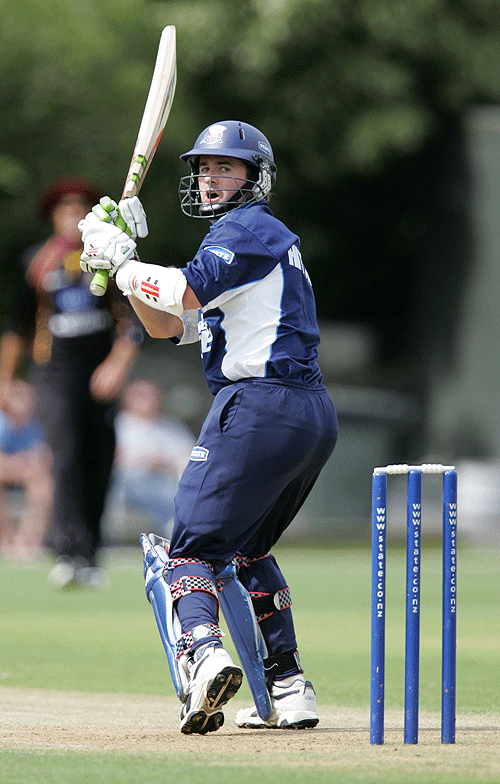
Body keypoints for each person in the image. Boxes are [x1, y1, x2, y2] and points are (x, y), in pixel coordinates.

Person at [79, 121, 338, 733]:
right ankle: (288, 685)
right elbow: (168, 325)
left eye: (226, 167)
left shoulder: (249, 229)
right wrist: (124, 266)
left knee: (187, 549)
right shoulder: (247, 243)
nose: (210, 178)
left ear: (255, 176)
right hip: (307, 415)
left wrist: (121, 259)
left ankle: (204, 655)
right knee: (248, 551)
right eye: (204, 168)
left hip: (259, 406)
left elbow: (186, 291)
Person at [0, 177, 143, 589]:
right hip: (54, 374)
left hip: (100, 375)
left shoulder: (110, 257)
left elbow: (132, 323)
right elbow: (16, 327)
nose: (73, 216)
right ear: (53, 216)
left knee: (99, 459)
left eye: (81, 209)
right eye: (65, 210)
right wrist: (7, 382)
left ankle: (91, 553)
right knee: (64, 456)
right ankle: (67, 553)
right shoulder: (38, 262)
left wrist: (116, 366)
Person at [110, 378, 195, 538]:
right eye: (143, 396)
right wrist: (146, 462)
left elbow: (191, 457)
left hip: (171, 482)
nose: (151, 401)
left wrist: (167, 463)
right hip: (132, 484)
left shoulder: (171, 426)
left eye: (154, 396)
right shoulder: (120, 426)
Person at [0, 379, 53, 560]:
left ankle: (28, 540)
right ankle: (5, 539)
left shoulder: (36, 426)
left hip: (25, 474)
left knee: (43, 484)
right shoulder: (2, 423)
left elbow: (43, 456)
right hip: (6, 473)